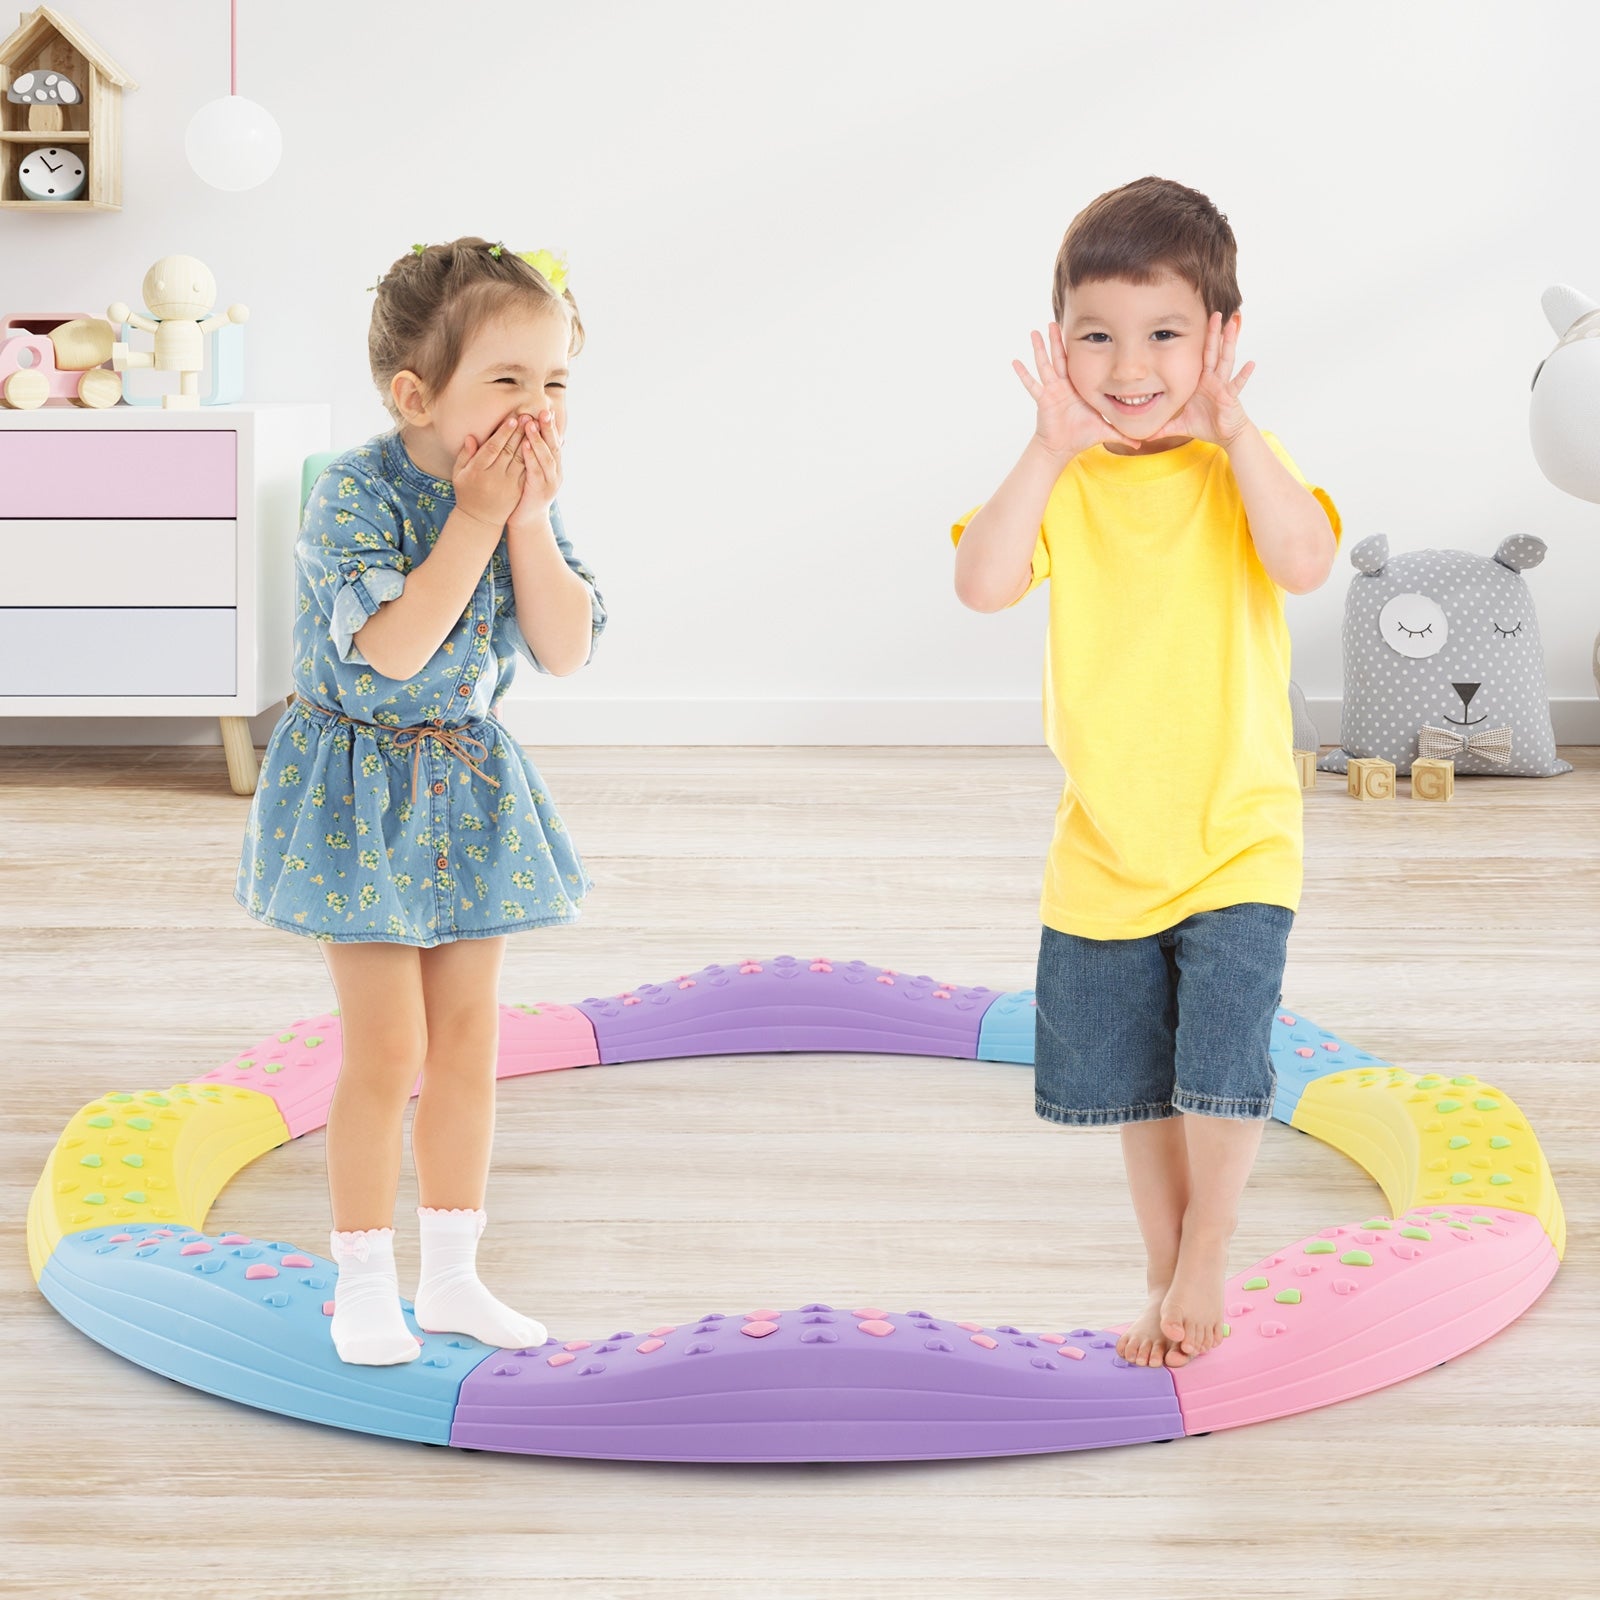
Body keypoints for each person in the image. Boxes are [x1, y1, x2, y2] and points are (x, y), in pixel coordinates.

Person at [950, 177, 1342, 1370]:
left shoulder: (1240, 471)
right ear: (1056, 343)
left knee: (1218, 1066)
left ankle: (1209, 1248)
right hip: (1107, 849)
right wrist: (1042, 446)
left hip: (1236, 832)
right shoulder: (1065, 481)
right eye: (1097, 336)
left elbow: (1305, 558)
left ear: (1220, 339)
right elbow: (981, 581)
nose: (1130, 366)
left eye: (1166, 334)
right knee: (1135, 1087)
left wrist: (1234, 430)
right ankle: (1162, 1274)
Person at [235, 237, 607, 1365]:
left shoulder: (519, 495)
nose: (535, 409)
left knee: (467, 1044)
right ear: (416, 393)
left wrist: (528, 520)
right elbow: (394, 649)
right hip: (357, 786)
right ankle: (362, 1277)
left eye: (554, 383)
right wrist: (480, 520)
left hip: (467, 782)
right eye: (506, 381)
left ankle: (450, 1277)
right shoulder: (354, 490)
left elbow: (563, 645)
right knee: (386, 1049)